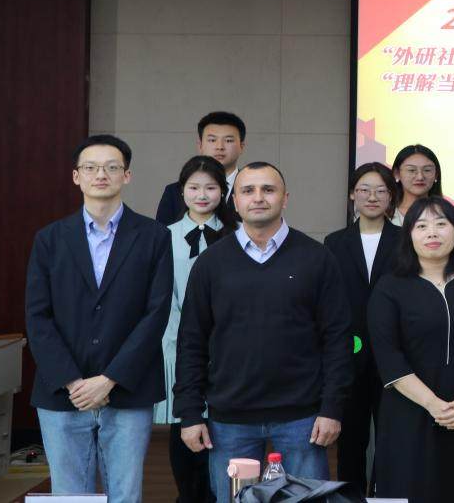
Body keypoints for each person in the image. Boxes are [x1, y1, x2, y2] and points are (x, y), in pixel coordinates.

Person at [173, 162, 353, 503]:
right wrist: (190, 412)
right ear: (235, 201)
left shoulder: (317, 258)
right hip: (230, 420)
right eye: (248, 190)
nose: (258, 198)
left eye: (268, 190)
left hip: (303, 418)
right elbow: (192, 342)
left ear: (285, 198)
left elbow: (337, 339)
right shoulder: (211, 262)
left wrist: (332, 408)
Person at [25, 135, 173, 503]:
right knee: (68, 495)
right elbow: (38, 316)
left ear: (127, 175)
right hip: (64, 391)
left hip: (128, 389)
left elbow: (156, 313)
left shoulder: (154, 236)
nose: (101, 175)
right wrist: (73, 381)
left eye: (111, 167)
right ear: (77, 176)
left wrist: (109, 379)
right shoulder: (49, 239)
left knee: (126, 494)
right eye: (91, 167)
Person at [367, 197, 454, 503]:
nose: (432, 233)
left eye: (441, 224)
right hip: (409, 412)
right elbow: (389, 356)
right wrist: (433, 404)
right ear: (409, 235)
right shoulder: (390, 287)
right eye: (422, 226)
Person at [154, 156, 236, 503]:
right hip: (176, 345)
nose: (202, 195)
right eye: (194, 188)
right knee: (184, 427)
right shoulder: (162, 236)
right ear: (181, 191)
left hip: (228, 348)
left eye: (211, 188)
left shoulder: (238, 235)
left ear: (223, 192)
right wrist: (179, 339)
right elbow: (159, 297)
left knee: (224, 430)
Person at [324, 162, 401, 495]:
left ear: (391, 196)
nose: (372, 197)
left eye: (381, 190)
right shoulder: (335, 241)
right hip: (349, 352)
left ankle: (387, 496)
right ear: (352, 194)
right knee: (351, 439)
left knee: (392, 437)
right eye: (364, 190)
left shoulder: (406, 240)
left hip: (395, 352)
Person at [155, 111, 247, 226]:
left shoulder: (253, 190)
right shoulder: (174, 191)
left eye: (228, 140)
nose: (219, 147)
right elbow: (162, 234)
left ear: (241, 147)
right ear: (200, 146)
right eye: (212, 140)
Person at [391, 144, 443, 225]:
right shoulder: (385, 215)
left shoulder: (446, 215)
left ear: (436, 174)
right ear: (396, 173)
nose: (420, 177)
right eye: (411, 170)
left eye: (427, 170)